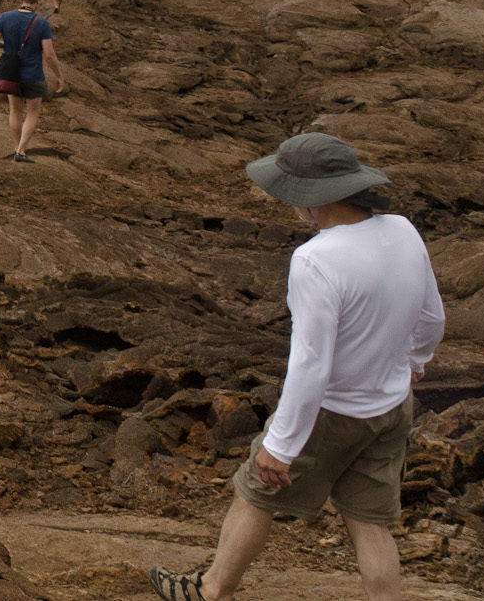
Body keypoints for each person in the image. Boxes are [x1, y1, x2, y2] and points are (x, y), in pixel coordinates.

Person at [149, 133, 444, 601]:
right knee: (370, 521)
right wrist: (414, 363)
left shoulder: (316, 259)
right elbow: (432, 317)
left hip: (331, 414)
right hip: (390, 407)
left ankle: (212, 591)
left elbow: (311, 365)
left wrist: (281, 446)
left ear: (314, 199)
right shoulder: (402, 229)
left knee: (254, 491)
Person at [0, 0, 65, 162]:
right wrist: (59, 76)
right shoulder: (42, 23)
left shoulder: (5, 17)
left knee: (15, 111)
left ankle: (16, 147)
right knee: (32, 112)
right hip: (33, 75)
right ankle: (21, 150)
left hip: (11, 73)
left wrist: (5, 46)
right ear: (37, 2)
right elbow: (49, 55)